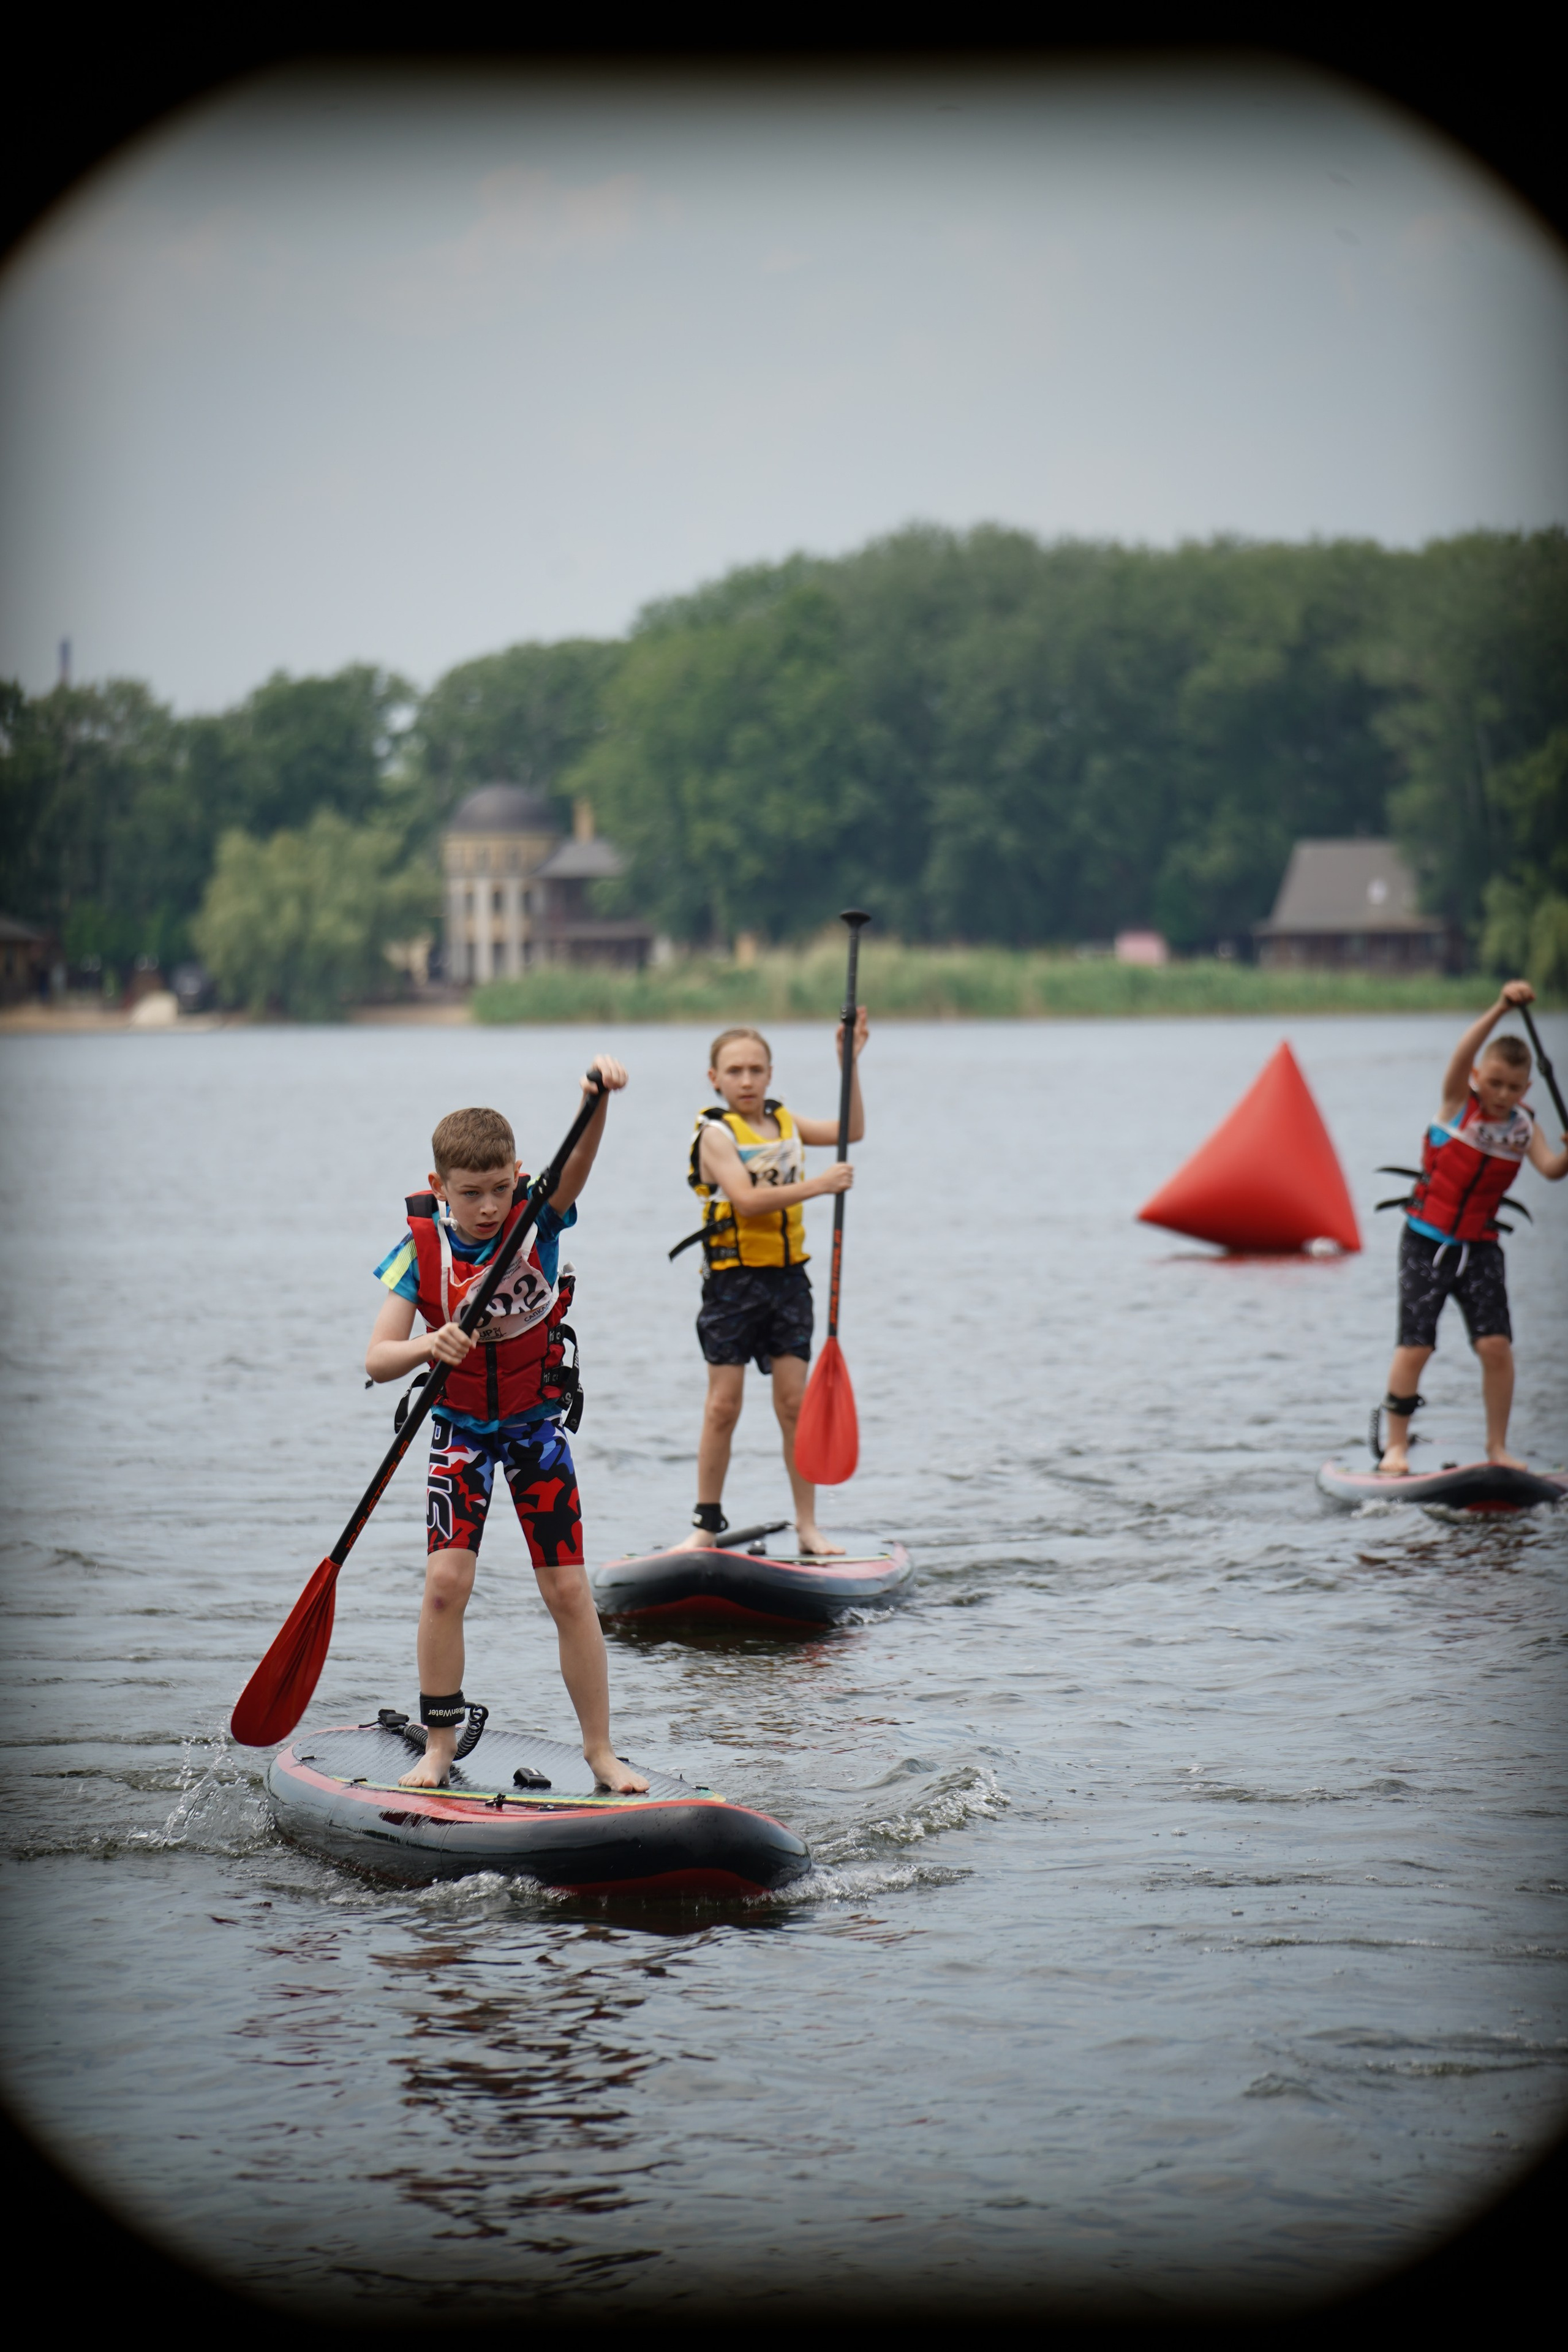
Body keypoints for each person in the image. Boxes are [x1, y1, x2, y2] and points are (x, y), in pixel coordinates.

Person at [364, 1058, 647, 1793]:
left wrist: (594, 1104)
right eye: (470, 1194)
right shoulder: (418, 1254)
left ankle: (600, 1752)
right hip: (459, 1433)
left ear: (518, 1176)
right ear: (439, 1190)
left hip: (534, 1433)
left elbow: (577, 1166)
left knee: (566, 1593)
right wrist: (433, 1343)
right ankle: (437, 1748)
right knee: (443, 1587)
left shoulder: (538, 1222)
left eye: (498, 1189)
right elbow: (378, 1357)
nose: (487, 1208)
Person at [674, 1014, 868, 1558]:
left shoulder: (783, 1121)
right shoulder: (715, 1135)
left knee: (792, 1404)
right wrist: (820, 1185)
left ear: (770, 1074)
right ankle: (704, 1527)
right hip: (733, 1285)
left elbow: (852, 1130)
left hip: (788, 1283)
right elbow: (748, 1200)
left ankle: (808, 1526)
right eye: (734, 1071)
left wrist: (847, 1063)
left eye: (756, 1070)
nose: (746, 1080)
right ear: (714, 1077)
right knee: (724, 1407)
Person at [1378, 981, 1567, 1473]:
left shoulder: (1524, 1127)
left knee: (1496, 1346)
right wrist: (1501, 1008)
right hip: (1426, 1241)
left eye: (1514, 1087)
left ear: (1527, 1089)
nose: (1503, 1095)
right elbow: (1464, 1053)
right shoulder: (1456, 1104)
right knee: (1416, 1345)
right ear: (1479, 1077)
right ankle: (1396, 1447)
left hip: (1480, 1247)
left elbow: (1551, 1169)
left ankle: (1497, 1449)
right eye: (1495, 1083)